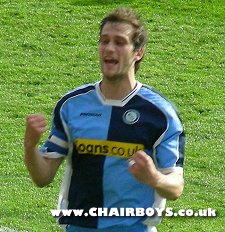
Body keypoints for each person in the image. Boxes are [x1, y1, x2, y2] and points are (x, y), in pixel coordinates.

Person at [24, 7, 185, 232]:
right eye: (104, 41)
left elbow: (176, 187)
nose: (109, 48)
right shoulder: (71, 105)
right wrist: (30, 146)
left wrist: (154, 179)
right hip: (78, 226)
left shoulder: (160, 114)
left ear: (138, 52)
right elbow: (43, 177)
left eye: (119, 42)